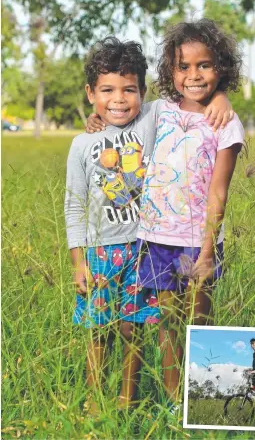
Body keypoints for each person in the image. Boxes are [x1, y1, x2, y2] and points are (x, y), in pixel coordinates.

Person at [68, 35, 234, 413]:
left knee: (135, 328)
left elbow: (193, 93)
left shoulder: (154, 114)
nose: (119, 99)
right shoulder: (81, 144)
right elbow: (73, 205)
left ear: (143, 91)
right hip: (98, 252)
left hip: (143, 244)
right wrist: (77, 260)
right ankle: (96, 404)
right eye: (107, 91)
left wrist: (220, 95)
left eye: (129, 90)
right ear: (91, 92)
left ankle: (129, 401)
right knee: (99, 329)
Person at [136, 19, 245, 414]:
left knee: (198, 324)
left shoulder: (225, 121)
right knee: (166, 324)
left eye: (205, 65)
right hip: (157, 237)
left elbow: (219, 191)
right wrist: (97, 121)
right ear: (171, 70)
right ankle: (170, 402)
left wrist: (206, 251)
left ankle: (199, 405)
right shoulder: (158, 111)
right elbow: (120, 114)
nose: (193, 75)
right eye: (183, 66)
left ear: (222, 68)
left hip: (199, 242)